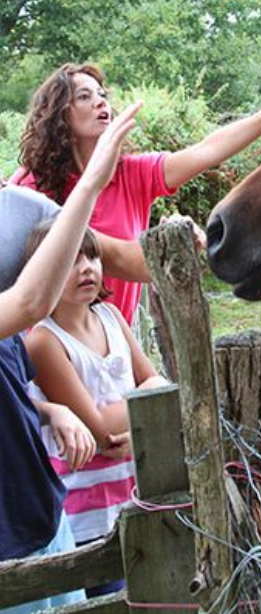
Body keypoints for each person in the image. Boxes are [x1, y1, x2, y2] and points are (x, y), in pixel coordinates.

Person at [10, 63, 261, 324]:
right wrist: (175, 243)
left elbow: (206, 150)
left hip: (116, 337)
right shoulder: (31, 186)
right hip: (48, 347)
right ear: (58, 115)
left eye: (102, 94)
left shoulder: (133, 174)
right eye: (84, 96)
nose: (100, 102)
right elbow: (126, 261)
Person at [0, 103, 142, 614]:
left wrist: (48, 409)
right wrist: (90, 185)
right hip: (9, 551)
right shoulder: (31, 323)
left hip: (45, 517)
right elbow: (31, 304)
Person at [24, 220, 169, 599]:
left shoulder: (113, 318)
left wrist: (151, 397)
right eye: (71, 260)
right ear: (44, 270)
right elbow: (101, 430)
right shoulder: (43, 341)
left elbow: (155, 386)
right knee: (107, 598)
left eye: (91, 256)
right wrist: (146, 406)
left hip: (131, 491)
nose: (86, 267)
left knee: (150, 590)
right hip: (84, 512)